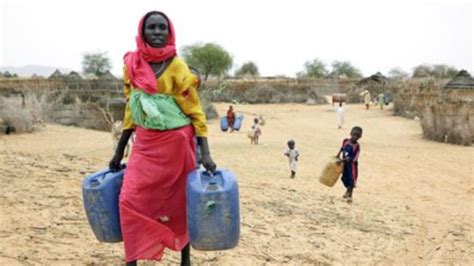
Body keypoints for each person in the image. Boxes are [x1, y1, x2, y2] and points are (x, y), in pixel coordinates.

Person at [108, 11, 217, 266]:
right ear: (142, 32)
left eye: (162, 28)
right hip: (145, 145)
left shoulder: (178, 66)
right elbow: (130, 110)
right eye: (152, 28)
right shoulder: (132, 65)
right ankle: (132, 259)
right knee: (129, 199)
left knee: (180, 204)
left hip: (177, 145)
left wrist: (207, 154)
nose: (157, 32)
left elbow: (195, 111)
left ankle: (185, 259)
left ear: (170, 33)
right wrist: (118, 152)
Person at [335, 126, 362, 203]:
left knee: (351, 179)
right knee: (344, 178)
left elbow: (352, 158)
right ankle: (347, 191)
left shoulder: (357, 146)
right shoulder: (345, 141)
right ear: (350, 134)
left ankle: (350, 195)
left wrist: (341, 160)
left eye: (357, 136)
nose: (355, 137)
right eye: (354, 135)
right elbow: (342, 148)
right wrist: (337, 155)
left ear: (360, 137)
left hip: (352, 166)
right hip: (344, 164)